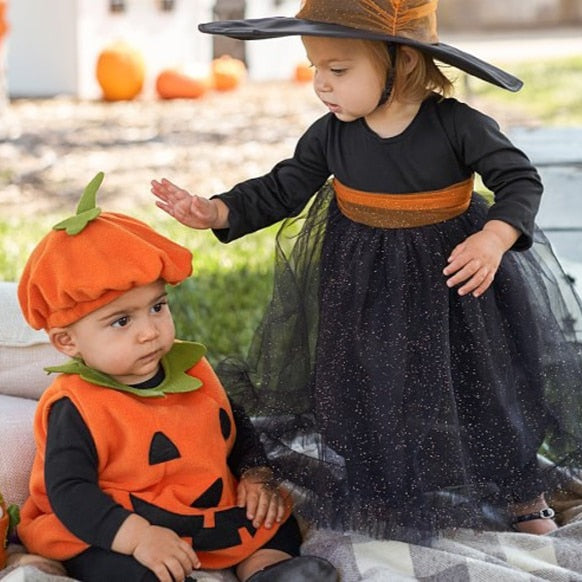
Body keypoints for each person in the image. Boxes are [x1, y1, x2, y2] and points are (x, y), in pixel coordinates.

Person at [151, 0, 582, 541]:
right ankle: (384, 487)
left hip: (457, 278)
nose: (322, 86)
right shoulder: (331, 133)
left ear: (401, 62)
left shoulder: (458, 125)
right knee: (366, 382)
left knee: (483, 383)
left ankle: (519, 490)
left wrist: (494, 237)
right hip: (365, 282)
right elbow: (285, 185)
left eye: (338, 70)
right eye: (315, 69)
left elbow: (519, 180)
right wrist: (219, 210)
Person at [16, 173, 338, 582]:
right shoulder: (76, 406)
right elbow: (71, 494)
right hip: (113, 526)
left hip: (204, 512)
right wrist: (138, 538)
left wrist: (255, 474)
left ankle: (265, 569)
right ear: (67, 342)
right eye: (121, 321)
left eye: (156, 307)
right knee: (123, 568)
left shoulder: (191, 369)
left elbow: (234, 427)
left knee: (273, 520)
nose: (149, 331)